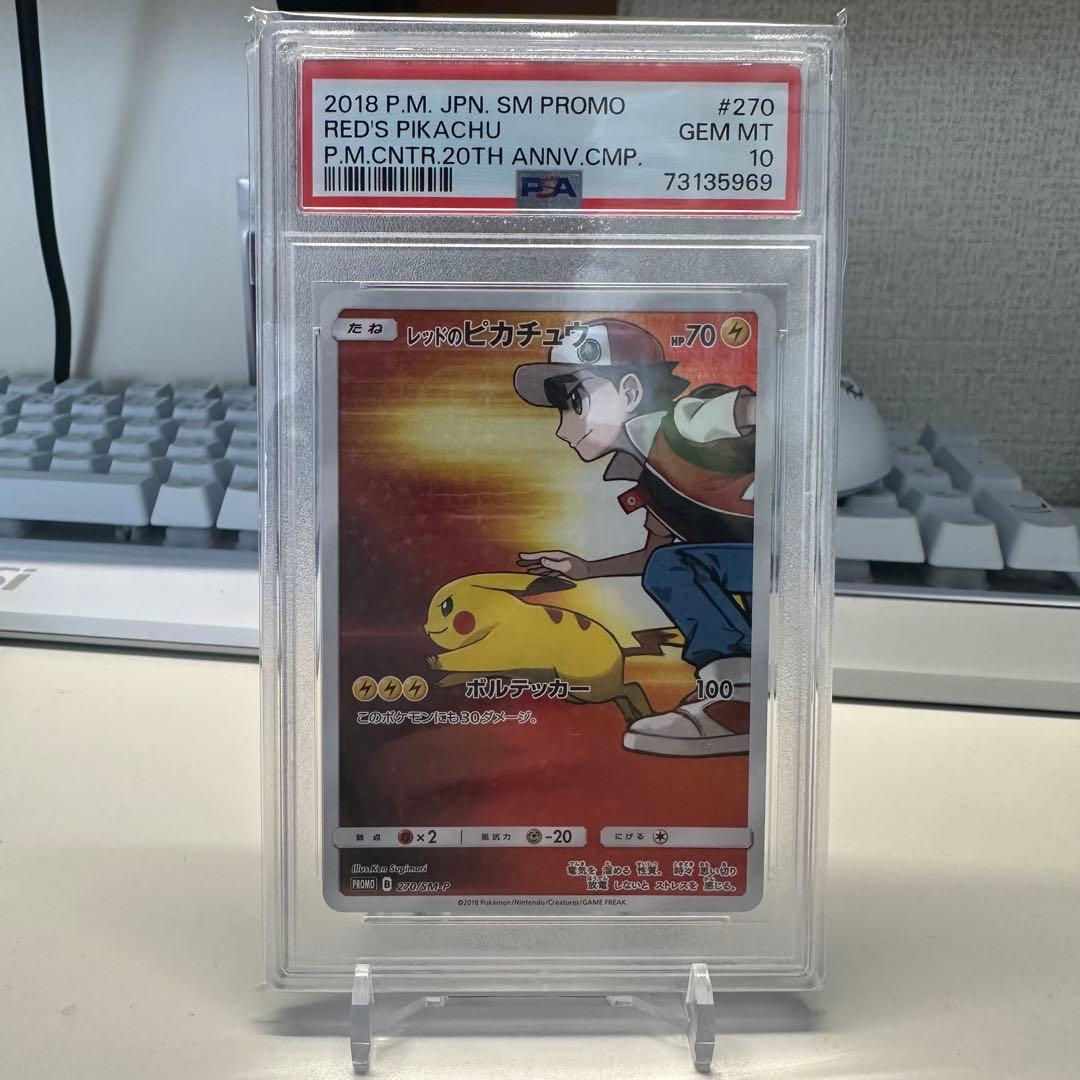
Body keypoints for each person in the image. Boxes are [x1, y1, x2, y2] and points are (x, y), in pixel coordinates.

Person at [513, 317, 756, 757]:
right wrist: (586, 569)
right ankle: (734, 696)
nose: (563, 428)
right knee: (671, 566)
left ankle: (736, 694)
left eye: (575, 403)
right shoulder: (651, 481)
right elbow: (654, 558)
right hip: (759, 567)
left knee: (674, 567)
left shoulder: (683, 423)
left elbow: (747, 411)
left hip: (781, 558)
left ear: (629, 392)